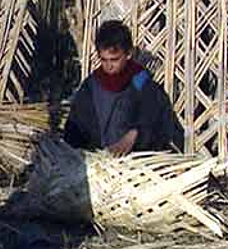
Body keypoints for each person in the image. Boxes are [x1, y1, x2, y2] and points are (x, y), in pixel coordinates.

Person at [63, 19, 183, 155]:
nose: (109, 66)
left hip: (133, 160)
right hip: (99, 160)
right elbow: (75, 127)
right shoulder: (91, 85)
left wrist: (136, 134)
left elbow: (157, 119)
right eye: (103, 59)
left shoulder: (141, 82)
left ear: (128, 54)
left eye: (114, 59)